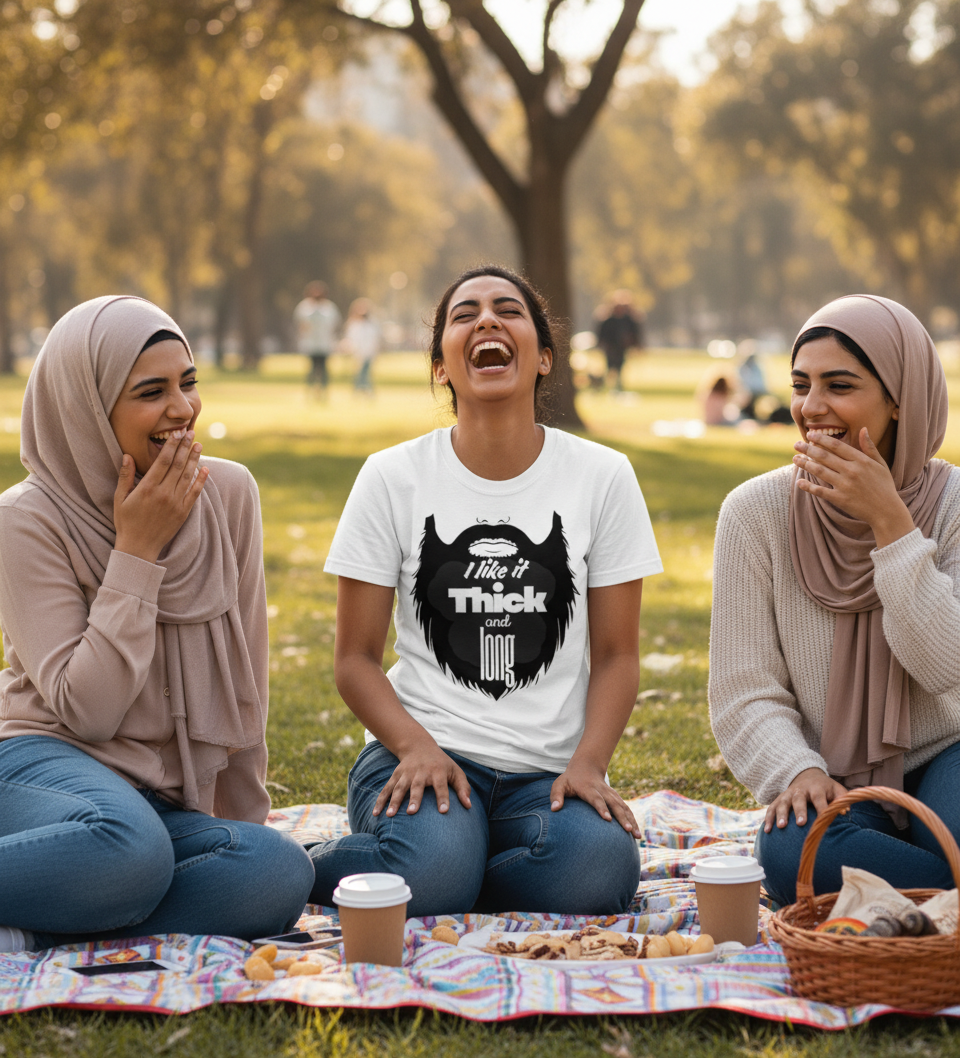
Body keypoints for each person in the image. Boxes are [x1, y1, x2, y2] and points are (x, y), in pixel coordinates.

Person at [308, 265, 662, 917]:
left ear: (544, 358)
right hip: (420, 754)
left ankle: (450, 870)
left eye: (508, 310)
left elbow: (616, 656)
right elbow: (353, 659)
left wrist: (588, 766)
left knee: (601, 871)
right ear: (441, 365)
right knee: (435, 872)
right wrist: (414, 747)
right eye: (464, 314)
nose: (487, 321)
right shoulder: (391, 477)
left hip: (544, 779)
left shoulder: (603, 477)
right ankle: (324, 867)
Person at [0, 296, 314, 954]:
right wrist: (136, 552)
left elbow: (245, 685)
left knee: (278, 872)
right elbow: (87, 711)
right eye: (152, 391)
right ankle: (87, 879)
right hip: (42, 767)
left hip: (154, 807)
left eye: (188, 382)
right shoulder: (25, 521)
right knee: (130, 851)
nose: (183, 408)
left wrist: (246, 829)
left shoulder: (227, 495)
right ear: (87, 407)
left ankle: (39, 918)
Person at [709, 294, 960, 907]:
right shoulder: (753, 514)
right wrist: (797, 771)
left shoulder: (954, 505)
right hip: (823, 775)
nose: (810, 408)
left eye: (839, 385)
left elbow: (949, 665)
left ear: (899, 396)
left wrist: (892, 526)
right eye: (800, 385)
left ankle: (913, 898)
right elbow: (743, 691)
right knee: (794, 852)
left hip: (946, 753)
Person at [294, 281, 341, 394]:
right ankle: (310, 389)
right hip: (310, 343)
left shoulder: (329, 307)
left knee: (324, 369)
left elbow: (334, 324)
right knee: (312, 368)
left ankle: (323, 390)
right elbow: (300, 324)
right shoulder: (304, 307)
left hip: (324, 343)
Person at [595, 291, 643, 392]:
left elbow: (635, 333)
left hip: (621, 348)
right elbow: (602, 333)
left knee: (620, 366)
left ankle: (617, 386)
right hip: (610, 347)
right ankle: (608, 386)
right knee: (610, 366)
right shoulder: (608, 320)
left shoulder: (628, 320)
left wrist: (636, 345)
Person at [343, 297, 381, 394]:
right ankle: (360, 390)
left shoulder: (372, 324)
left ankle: (365, 390)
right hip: (357, 354)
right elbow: (350, 339)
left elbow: (375, 339)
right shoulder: (353, 324)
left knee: (365, 373)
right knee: (359, 373)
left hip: (369, 353)